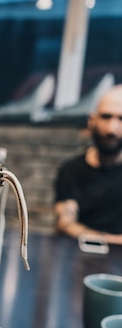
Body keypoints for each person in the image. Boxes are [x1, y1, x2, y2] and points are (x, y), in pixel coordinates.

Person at [54, 84, 122, 245]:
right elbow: (65, 223)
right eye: (106, 117)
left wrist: (97, 239)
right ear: (92, 120)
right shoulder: (70, 170)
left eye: (121, 119)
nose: (112, 129)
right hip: (78, 255)